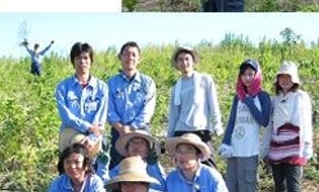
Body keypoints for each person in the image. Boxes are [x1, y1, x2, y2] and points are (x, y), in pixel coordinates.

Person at [217, 58, 271, 192]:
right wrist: (225, 142)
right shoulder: (237, 97)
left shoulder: (262, 97)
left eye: (250, 74)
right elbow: (232, 122)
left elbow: (263, 121)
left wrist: (249, 101)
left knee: (247, 186)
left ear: (256, 76)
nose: (247, 78)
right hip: (234, 150)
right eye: (244, 75)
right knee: (232, 185)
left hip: (250, 150)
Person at [260, 61, 313, 192]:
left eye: (288, 77)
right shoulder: (274, 100)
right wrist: (265, 149)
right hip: (277, 148)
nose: (284, 80)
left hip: (294, 147)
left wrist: (307, 147)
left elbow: (306, 122)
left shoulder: (301, 97)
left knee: (294, 188)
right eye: (281, 77)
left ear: (294, 79)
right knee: (279, 188)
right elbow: (269, 126)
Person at [166, 46, 223, 169]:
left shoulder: (205, 80)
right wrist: (170, 137)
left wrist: (217, 124)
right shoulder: (177, 87)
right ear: (177, 63)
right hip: (181, 131)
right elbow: (174, 114)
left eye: (187, 59)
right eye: (180, 59)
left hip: (201, 130)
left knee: (209, 167)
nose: (184, 63)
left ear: (192, 61)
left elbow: (213, 104)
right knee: (184, 167)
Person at [107, 41, 157, 170]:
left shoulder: (148, 82)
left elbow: (148, 109)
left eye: (134, 55)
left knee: (144, 166)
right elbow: (109, 109)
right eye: (126, 54)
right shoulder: (111, 83)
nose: (130, 58)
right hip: (119, 131)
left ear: (139, 59)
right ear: (120, 57)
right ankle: (118, 191)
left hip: (141, 130)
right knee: (118, 167)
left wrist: (132, 127)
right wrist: (121, 128)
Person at [55, 42, 109, 160]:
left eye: (86, 58)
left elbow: (101, 117)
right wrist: (88, 127)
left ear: (91, 61)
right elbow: (67, 117)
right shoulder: (63, 87)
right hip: (70, 136)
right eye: (78, 58)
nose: (82, 62)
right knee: (71, 169)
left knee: (98, 167)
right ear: (73, 62)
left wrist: (92, 137)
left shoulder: (101, 88)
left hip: (94, 137)